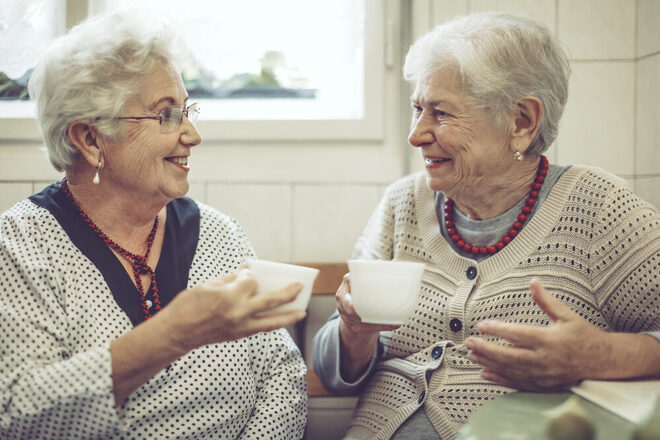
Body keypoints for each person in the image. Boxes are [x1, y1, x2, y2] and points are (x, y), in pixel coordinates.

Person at [314, 11, 660, 440]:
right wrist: (354, 330)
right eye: (416, 108)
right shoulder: (403, 202)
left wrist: (606, 355)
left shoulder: (596, 208)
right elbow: (330, 371)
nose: (416, 134)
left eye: (440, 113)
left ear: (521, 122)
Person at [0, 11, 307, 440]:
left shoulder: (220, 234)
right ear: (89, 139)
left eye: (186, 110)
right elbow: (18, 416)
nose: (192, 134)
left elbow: (283, 377)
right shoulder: (21, 248)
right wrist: (171, 333)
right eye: (167, 115)